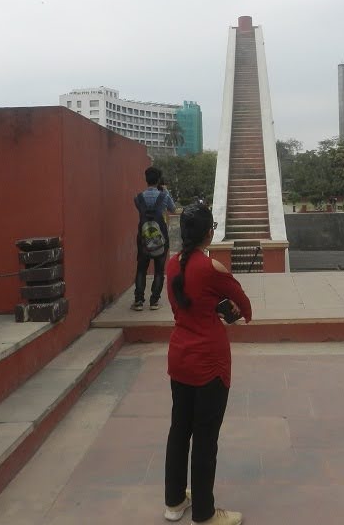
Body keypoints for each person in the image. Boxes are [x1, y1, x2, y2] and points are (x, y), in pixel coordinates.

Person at [163, 203, 251, 525]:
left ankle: (173, 503)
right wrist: (227, 312)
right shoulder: (212, 268)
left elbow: (189, 301)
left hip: (180, 356)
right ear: (208, 232)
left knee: (178, 430)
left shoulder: (172, 265)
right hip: (209, 362)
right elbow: (243, 305)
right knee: (204, 438)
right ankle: (204, 513)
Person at [131, 166, 176, 311]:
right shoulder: (164, 196)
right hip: (161, 238)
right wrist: (166, 191)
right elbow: (173, 209)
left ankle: (138, 301)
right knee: (158, 270)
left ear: (146, 179)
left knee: (141, 269)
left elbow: (141, 210)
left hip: (143, 239)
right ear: (158, 180)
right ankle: (154, 301)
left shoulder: (138, 198)